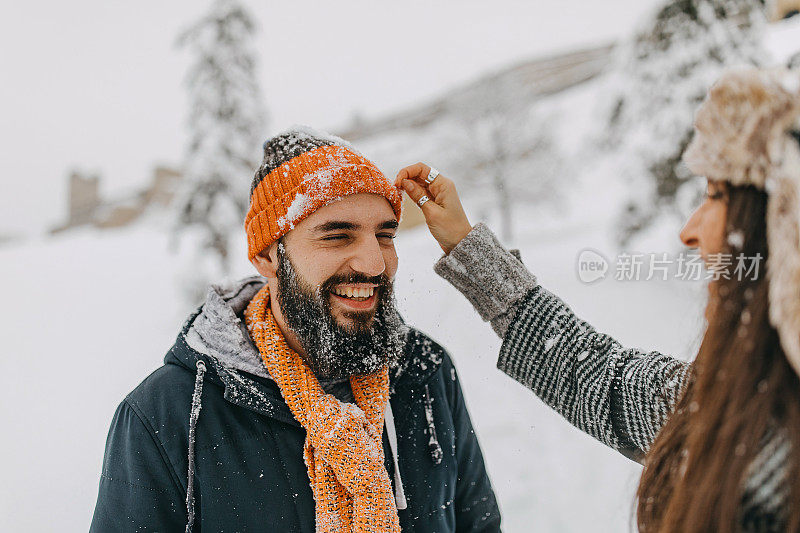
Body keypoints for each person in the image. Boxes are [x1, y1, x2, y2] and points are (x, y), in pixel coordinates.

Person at [395, 67, 800, 532]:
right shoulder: (735, 400)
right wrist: (467, 245)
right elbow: (599, 378)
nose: (689, 229)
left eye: (715, 194)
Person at [89, 127, 500, 532]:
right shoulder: (169, 416)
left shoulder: (424, 371)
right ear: (268, 257)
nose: (374, 264)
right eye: (337, 236)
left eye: (384, 235)